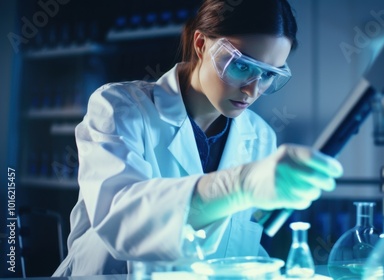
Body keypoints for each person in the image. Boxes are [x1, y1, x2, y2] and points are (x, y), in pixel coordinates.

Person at [53, 0, 343, 276]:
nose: (251, 91)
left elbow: (239, 249)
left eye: (268, 75)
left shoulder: (259, 136)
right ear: (202, 44)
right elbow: (122, 220)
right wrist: (237, 186)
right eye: (242, 66)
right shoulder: (119, 108)